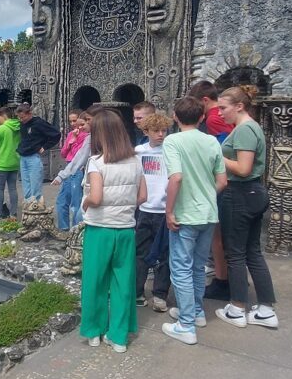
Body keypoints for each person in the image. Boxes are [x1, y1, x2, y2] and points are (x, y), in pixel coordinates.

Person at [79, 109, 147, 354]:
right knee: (122, 283)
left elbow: (96, 197)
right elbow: (143, 196)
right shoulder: (136, 162)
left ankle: (94, 331)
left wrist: (86, 201)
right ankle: (118, 337)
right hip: (126, 230)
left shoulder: (97, 162)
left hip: (100, 230)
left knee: (95, 282)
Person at [161, 96, 227, 346]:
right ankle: (196, 312)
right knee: (198, 266)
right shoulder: (211, 141)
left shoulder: (173, 141)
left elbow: (175, 178)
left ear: (175, 117)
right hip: (208, 214)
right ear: (202, 117)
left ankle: (186, 324)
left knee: (180, 268)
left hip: (184, 215)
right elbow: (222, 181)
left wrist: (169, 211)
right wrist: (207, 197)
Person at [214, 87, 278, 329]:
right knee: (252, 252)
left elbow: (243, 168)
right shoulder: (250, 128)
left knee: (236, 253)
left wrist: (215, 155)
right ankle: (265, 309)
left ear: (239, 106)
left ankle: (238, 307)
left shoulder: (245, 130)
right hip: (252, 193)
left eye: (223, 107)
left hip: (240, 193)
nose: (220, 113)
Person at [187, 80, 236, 302]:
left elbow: (220, 148)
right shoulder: (224, 116)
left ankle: (222, 279)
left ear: (205, 101)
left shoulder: (215, 117)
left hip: (222, 179)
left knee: (216, 237)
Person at [134, 113, 173, 311]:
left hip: (164, 209)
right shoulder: (138, 152)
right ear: (146, 131)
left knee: (165, 255)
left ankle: (160, 294)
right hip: (144, 209)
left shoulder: (171, 151)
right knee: (140, 252)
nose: (160, 134)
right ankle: (137, 291)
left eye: (163, 130)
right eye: (156, 130)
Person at [15, 103, 61, 202]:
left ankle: (36, 201)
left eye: (23, 117)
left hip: (33, 156)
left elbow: (56, 134)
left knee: (35, 182)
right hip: (23, 156)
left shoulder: (38, 123)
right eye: (19, 118)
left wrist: (45, 147)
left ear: (29, 114)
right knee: (25, 182)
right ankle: (28, 201)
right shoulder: (22, 124)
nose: (21, 120)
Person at [54, 109, 88, 230]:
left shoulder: (86, 136)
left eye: (75, 121)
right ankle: (63, 228)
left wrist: (76, 141)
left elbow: (80, 155)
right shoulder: (70, 135)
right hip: (68, 166)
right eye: (71, 121)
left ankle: (75, 230)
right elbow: (63, 153)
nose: (73, 124)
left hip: (78, 168)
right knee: (61, 200)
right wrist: (70, 142)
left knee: (76, 202)